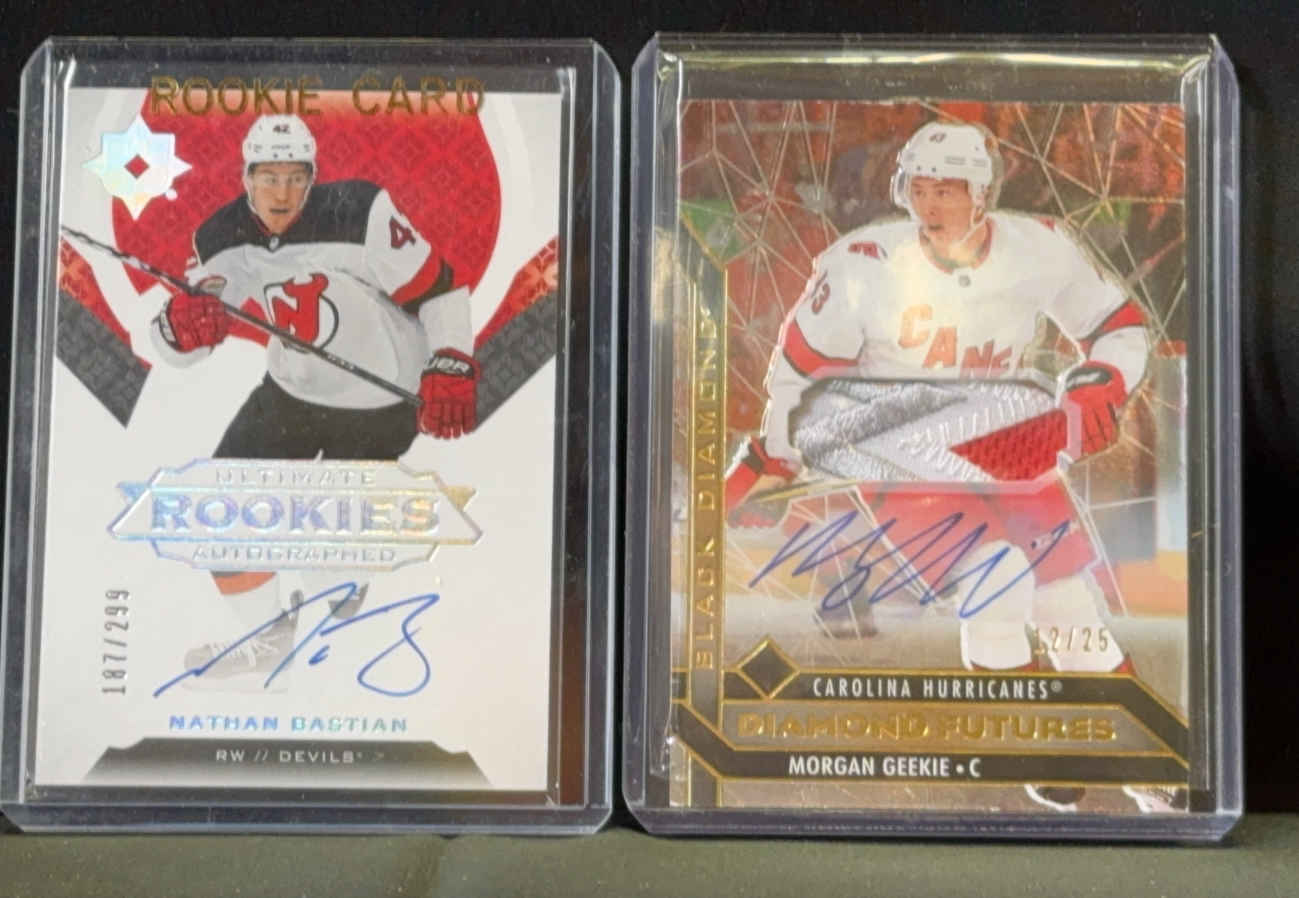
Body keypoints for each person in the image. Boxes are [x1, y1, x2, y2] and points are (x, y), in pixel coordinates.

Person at [725, 120, 1179, 813]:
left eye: (948, 190)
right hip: (903, 460)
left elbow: (1117, 325)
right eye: (920, 188)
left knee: (1067, 601)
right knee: (996, 583)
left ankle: (1141, 760)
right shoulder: (862, 264)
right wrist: (774, 456)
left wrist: (1101, 381)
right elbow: (798, 374)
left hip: (1007, 445)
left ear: (982, 194)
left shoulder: (1038, 245)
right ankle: (1029, 743)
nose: (931, 205)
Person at [149, 114, 480, 686]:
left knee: (334, 549)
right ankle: (268, 638)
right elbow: (186, 338)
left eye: (295, 177)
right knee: (220, 505)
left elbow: (440, 290)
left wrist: (449, 359)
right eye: (268, 177)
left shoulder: (361, 211)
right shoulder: (221, 236)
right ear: (246, 178)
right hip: (293, 392)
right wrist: (178, 329)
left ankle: (341, 647)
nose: (282, 193)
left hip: (380, 399)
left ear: (313, 176)